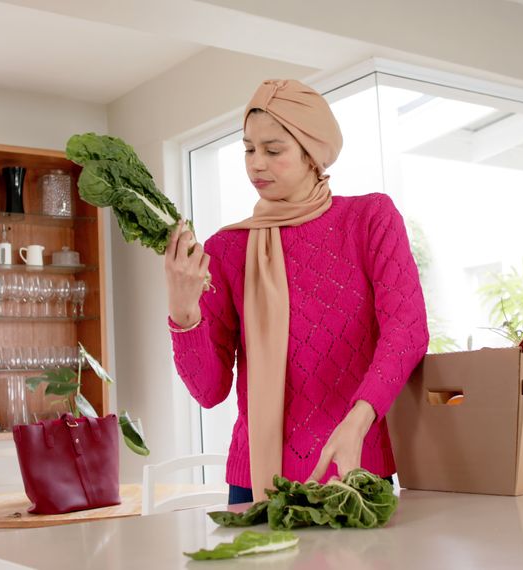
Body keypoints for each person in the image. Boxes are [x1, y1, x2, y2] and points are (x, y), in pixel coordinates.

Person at [165, 79, 429, 504]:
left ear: (312, 154)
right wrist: (183, 310)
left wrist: (358, 422)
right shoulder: (225, 250)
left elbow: (407, 332)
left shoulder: (369, 219)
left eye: (273, 150)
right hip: (254, 482)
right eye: (249, 150)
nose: (256, 165)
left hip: (354, 471)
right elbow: (209, 391)